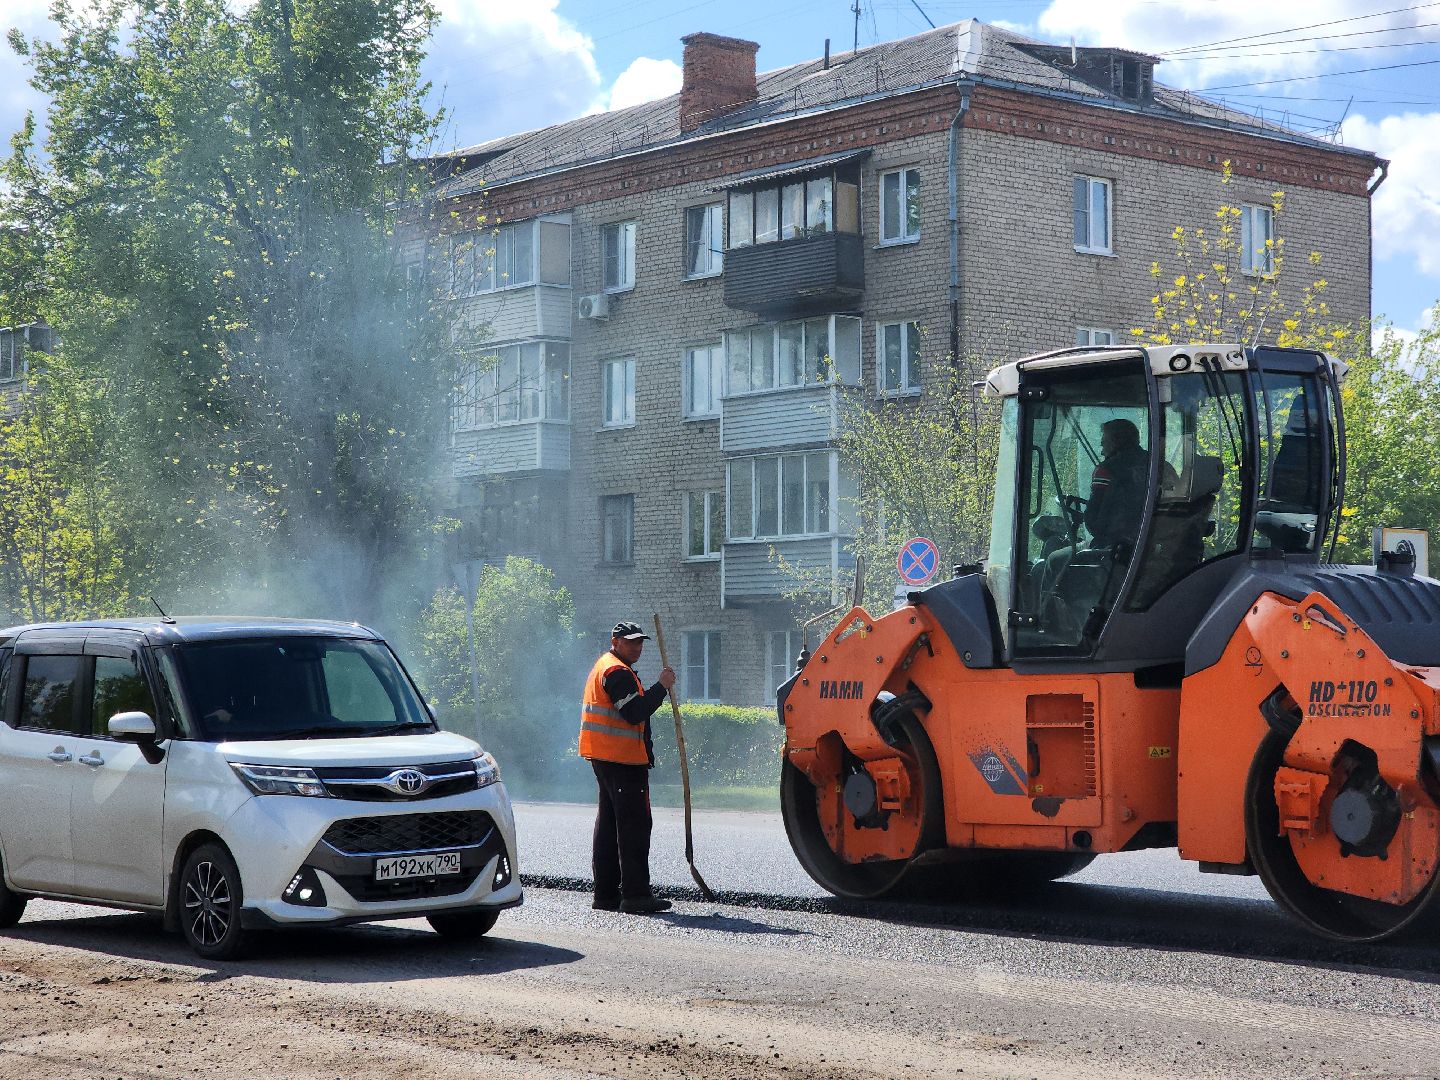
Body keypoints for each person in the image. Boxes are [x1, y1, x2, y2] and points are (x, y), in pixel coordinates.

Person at [579, 620, 676, 914]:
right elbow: (634, 712)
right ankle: (635, 896)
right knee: (634, 827)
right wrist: (662, 687)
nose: (637, 647)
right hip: (622, 761)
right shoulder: (616, 672)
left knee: (608, 827)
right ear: (616, 641)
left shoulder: (607, 665)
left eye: (640, 642)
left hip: (607, 758)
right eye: (631, 641)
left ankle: (606, 895)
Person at [1083, 418, 1151, 547]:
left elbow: (1093, 520)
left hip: (1113, 549)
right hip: (1151, 546)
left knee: (1055, 559)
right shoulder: (1161, 466)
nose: (1102, 451)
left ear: (1115, 442)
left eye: (1104, 444)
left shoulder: (1106, 470)